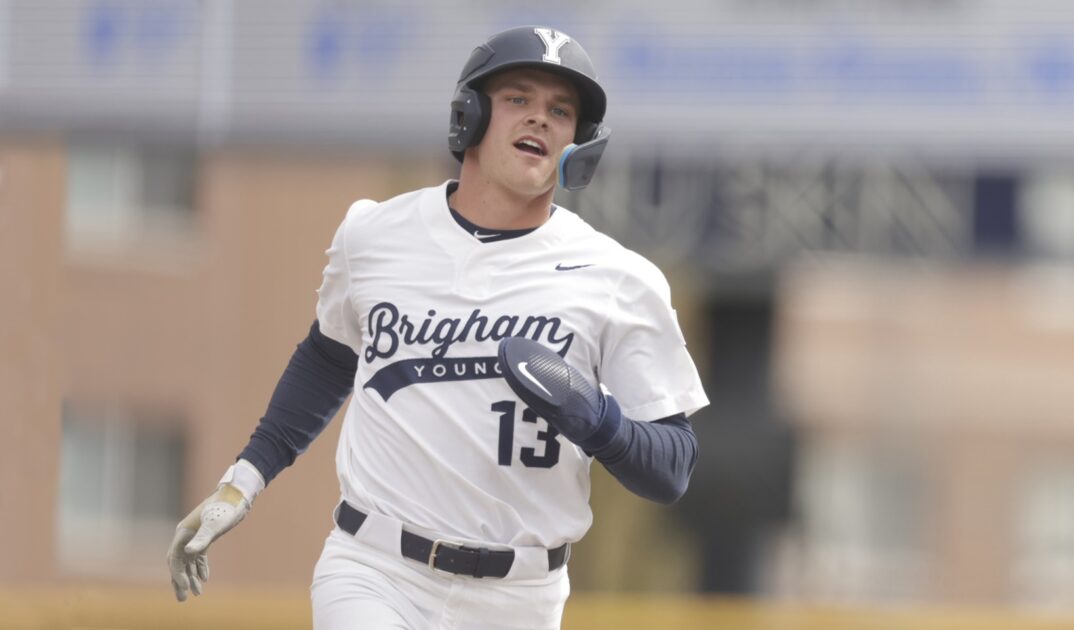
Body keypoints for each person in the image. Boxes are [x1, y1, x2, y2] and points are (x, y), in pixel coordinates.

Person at [167, 25, 708, 630]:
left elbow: (672, 468)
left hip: (521, 596)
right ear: (471, 114)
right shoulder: (375, 235)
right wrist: (243, 481)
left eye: (561, 111)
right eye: (518, 99)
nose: (540, 120)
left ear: (579, 143)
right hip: (376, 570)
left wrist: (600, 422)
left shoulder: (618, 278)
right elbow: (327, 359)